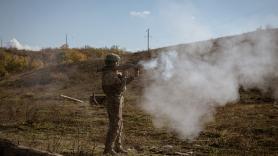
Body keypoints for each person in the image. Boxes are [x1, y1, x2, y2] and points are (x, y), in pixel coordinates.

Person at [102, 53, 138, 155]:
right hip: (113, 99)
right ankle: (109, 148)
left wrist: (133, 76)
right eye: (117, 62)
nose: (118, 64)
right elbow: (120, 87)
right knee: (115, 124)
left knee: (119, 123)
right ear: (114, 62)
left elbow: (123, 83)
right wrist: (125, 76)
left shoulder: (113, 72)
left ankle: (118, 146)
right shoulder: (109, 74)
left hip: (117, 99)